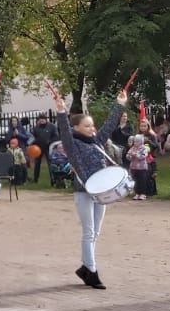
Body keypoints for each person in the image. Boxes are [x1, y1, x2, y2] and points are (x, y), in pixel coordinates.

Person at [50, 83, 127, 289]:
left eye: (92, 125)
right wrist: (60, 110)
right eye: (87, 126)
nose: (92, 129)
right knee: (88, 232)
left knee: (96, 233)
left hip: (102, 192)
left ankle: (85, 267)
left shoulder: (97, 141)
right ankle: (92, 272)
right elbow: (64, 129)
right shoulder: (72, 144)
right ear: (76, 128)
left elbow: (110, 125)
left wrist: (120, 105)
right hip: (84, 192)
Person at [30, 115, 56, 184]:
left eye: (43, 119)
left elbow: (56, 136)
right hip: (38, 148)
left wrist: (50, 141)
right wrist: (33, 143)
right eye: (40, 119)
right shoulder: (36, 128)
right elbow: (32, 137)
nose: (42, 120)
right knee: (37, 163)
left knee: (50, 163)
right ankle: (35, 179)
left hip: (48, 148)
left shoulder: (52, 126)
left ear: (46, 119)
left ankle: (53, 180)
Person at [126, 134, 151, 201]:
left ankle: (143, 194)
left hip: (142, 167)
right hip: (133, 167)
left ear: (141, 142)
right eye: (134, 141)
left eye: (137, 142)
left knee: (142, 180)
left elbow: (143, 156)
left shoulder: (144, 148)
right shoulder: (132, 148)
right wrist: (130, 156)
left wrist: (136, 155)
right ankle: (137, 193)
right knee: (135, 181)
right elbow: (128, 155)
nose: (135, 143)